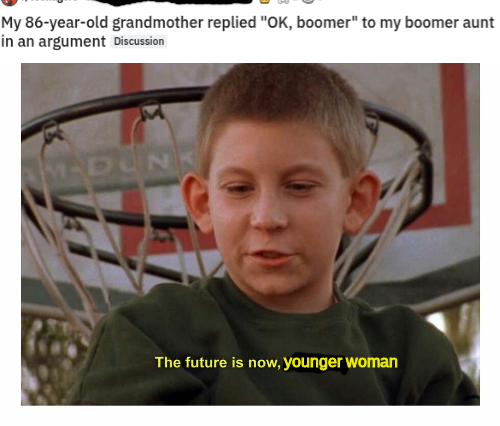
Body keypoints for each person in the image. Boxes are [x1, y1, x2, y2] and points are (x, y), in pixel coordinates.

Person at [70, 64, 479, 405]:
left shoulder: (412, 356)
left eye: (300, 186)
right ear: (201, 203)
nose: (267, 218)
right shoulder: (149, 337)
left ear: (355, 201)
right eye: (239, 189)